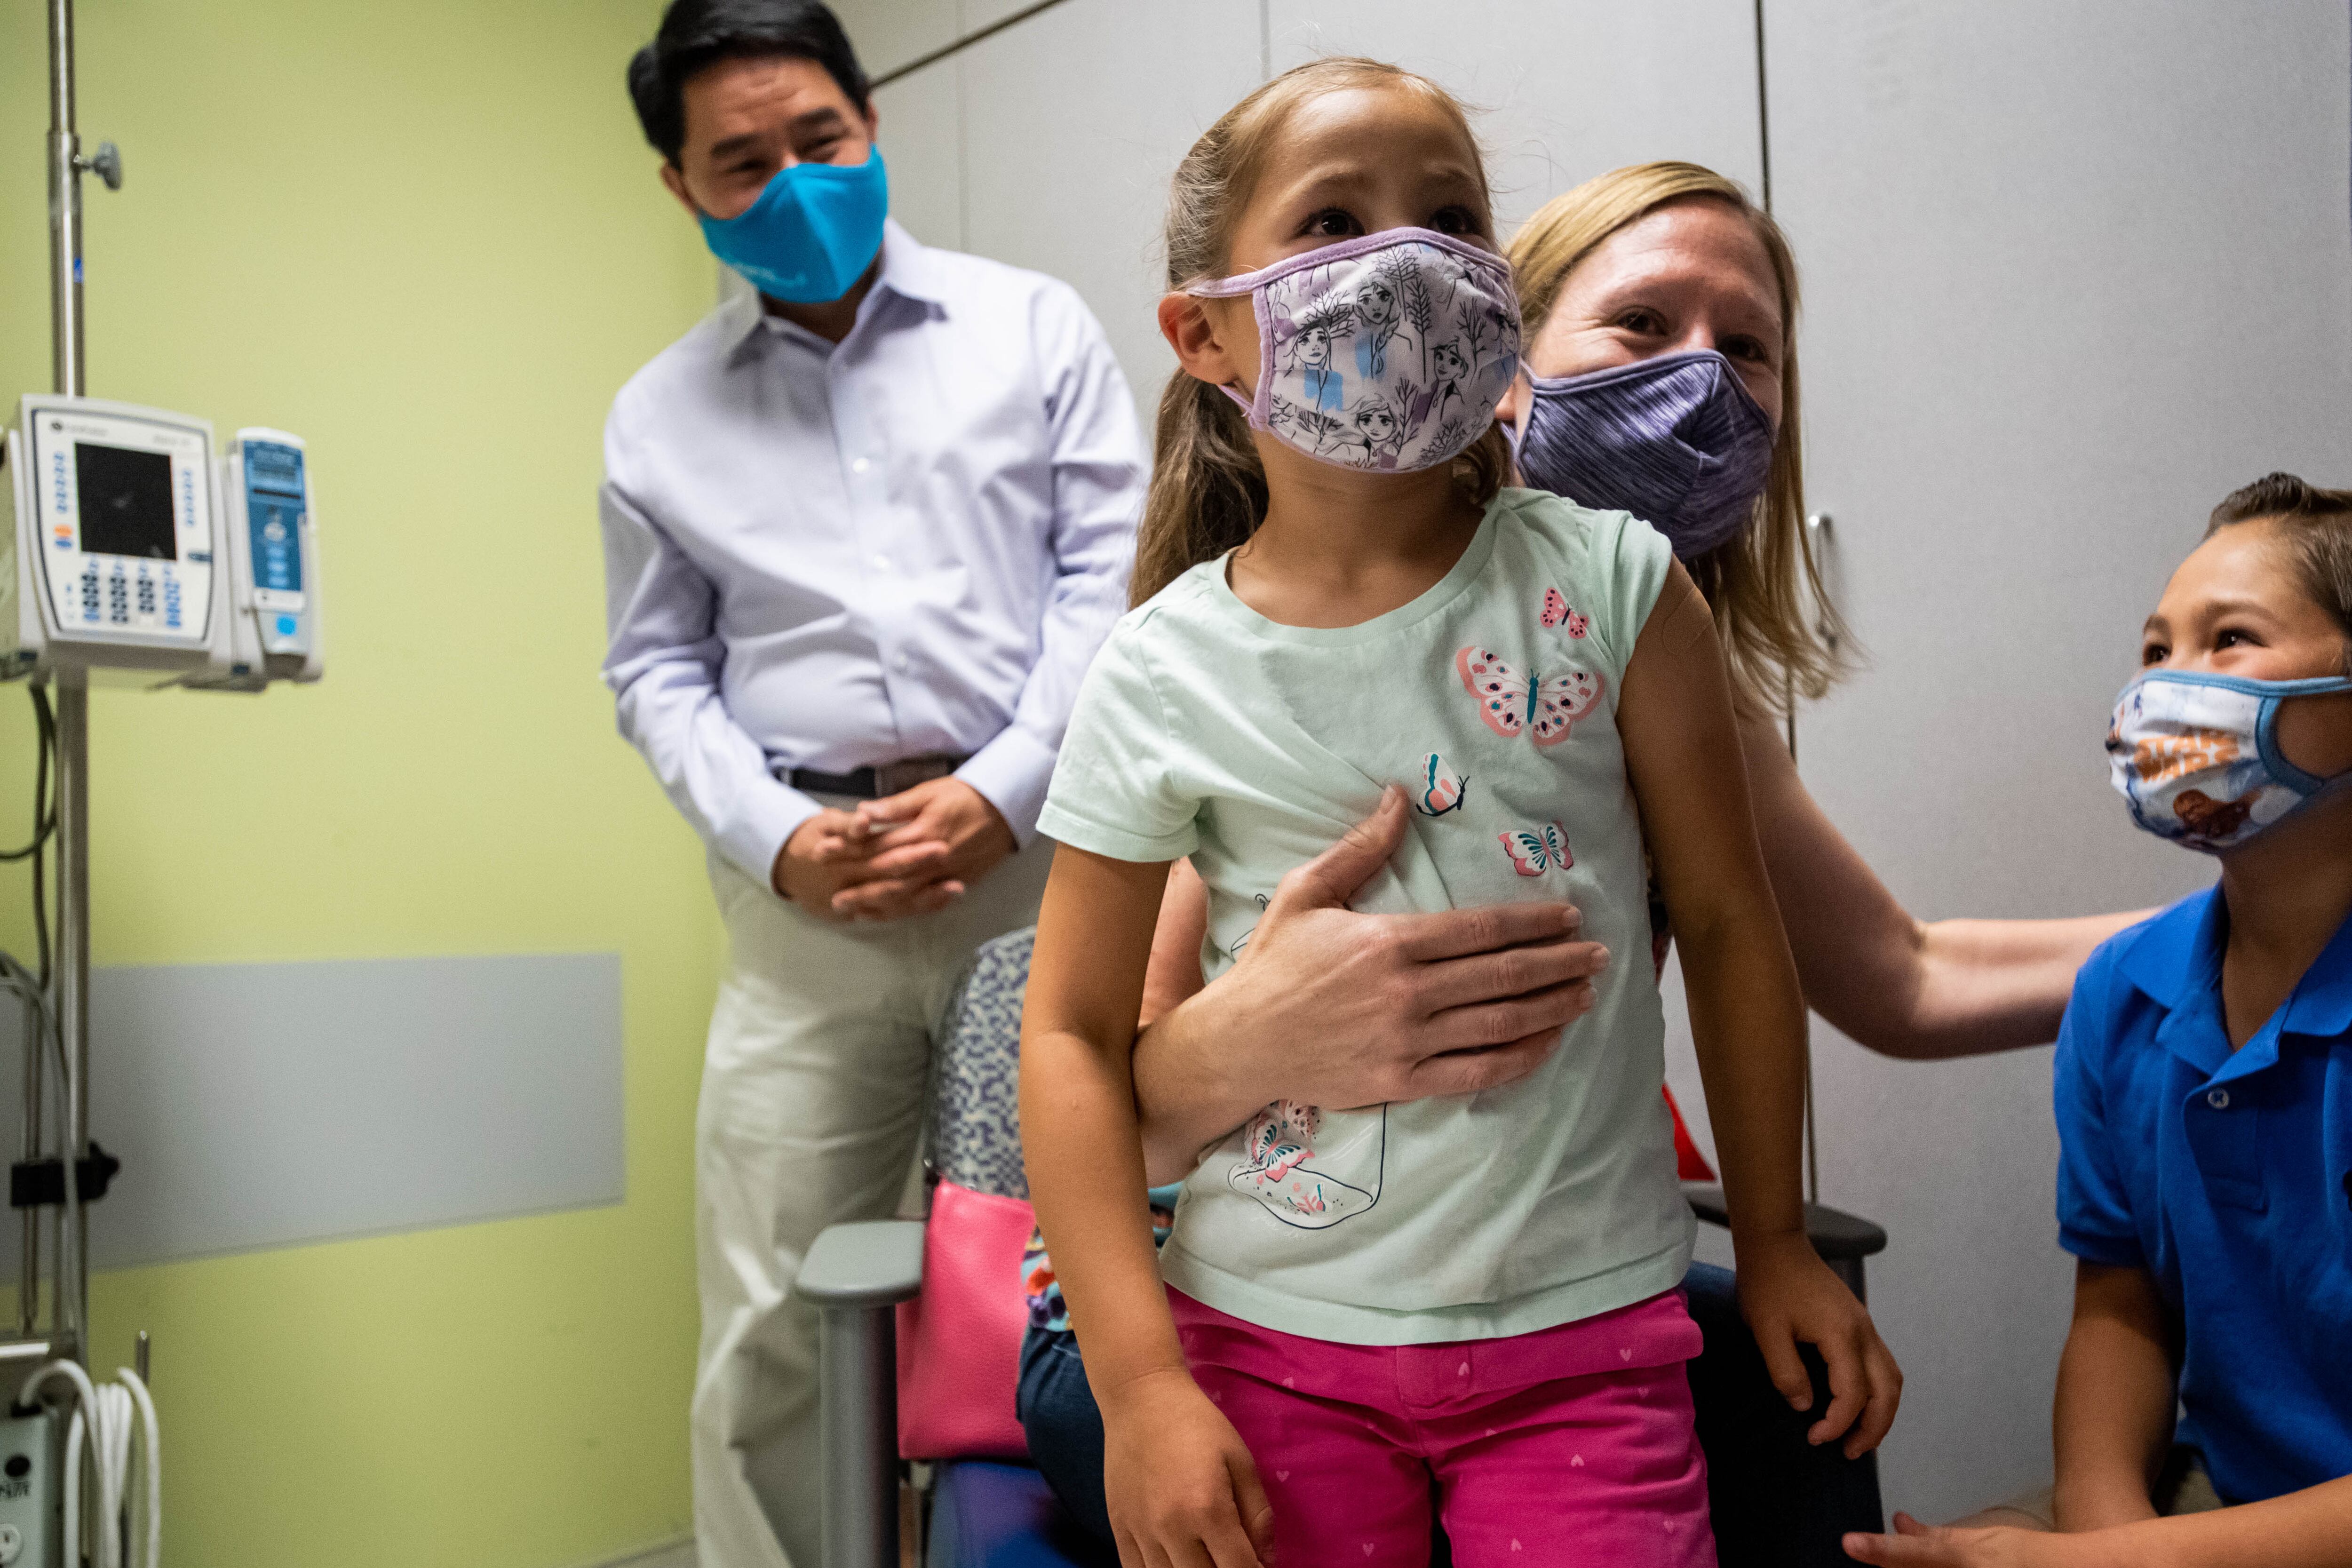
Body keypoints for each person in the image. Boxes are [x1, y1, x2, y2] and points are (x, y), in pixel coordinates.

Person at [1018, 160, 2140, 1556]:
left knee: (1789, 1397)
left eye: (1748, 349)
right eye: (1643, 325)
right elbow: (1100, 1084)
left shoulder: (1637, 630)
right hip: (1183, 1287)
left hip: (1532, 1279)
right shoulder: (1258, 665)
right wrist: (1255, 1041)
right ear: (1502, 348)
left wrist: (2227, 934)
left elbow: (1893, 970)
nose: (1700, 382)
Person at [599, 2, 1144, 1562]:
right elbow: (655, 669)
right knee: (772, 1322)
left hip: (1048, 874)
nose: (793, 183)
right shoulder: (656, 418)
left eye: (819, 140)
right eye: (742, 162)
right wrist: (782, 839)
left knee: (1091, 1275)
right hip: (807, 912)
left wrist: (1006, 788)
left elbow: (1112, 583)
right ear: (682, 186)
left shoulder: (1032, 330)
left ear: (871, 121)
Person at [1843, 473, 2352, 1568]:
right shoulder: (2123, 993)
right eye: (2155, 649)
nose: (2166, 684)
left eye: (2229, 639)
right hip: (2226, 1500)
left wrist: (2115, 1563)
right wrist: (2106, 1530)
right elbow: (2120, 1314)